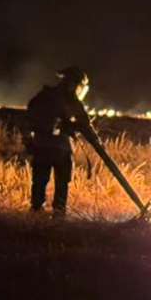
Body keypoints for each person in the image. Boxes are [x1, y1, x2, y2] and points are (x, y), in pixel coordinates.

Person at [24, 66, 98, 217]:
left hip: (42, 146)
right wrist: (95, 141)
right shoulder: (72, 101)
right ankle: (57, 215)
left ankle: (37, 213)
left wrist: (29, 140)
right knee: (61, 184)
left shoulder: (43, 96)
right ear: (75, 84)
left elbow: (29, 117)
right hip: (60, 149)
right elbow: (85, 125)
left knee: (40, 182)